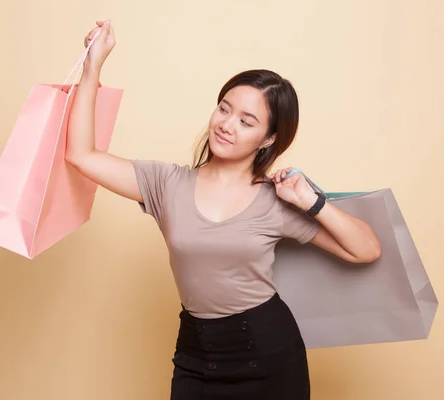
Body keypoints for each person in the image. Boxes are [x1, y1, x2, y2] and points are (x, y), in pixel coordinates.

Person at [65, 20, 382, 400]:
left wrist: (312, 202)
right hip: (195, 355)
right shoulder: (166, 183)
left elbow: (367, 249)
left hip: (269, 356)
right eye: (224, 109)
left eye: (246, 121)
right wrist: (93, 65)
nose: (227, 125)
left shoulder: (275, 200)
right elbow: (80, 155)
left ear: (268, 139)